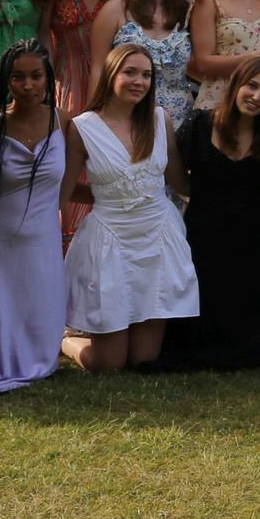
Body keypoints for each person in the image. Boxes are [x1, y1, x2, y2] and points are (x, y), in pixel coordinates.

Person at [63, 40, 199, 373]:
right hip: (110, 240)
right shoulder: (82, 127)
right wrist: (107, 195)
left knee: (143, 361)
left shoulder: (159, 120)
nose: (139, 81)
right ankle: (65, 340)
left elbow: (179, 182)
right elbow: (63, 190)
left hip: (157, 236)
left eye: (146, 75)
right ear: (111, 74)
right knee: (109, 364)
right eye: (130, 73)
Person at [0, 40, 75, 393]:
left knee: (40, 337)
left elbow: (68, 186)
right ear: (5, 81)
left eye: (36, 76)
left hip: (42, 244)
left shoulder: (64, 121)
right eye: (17, 77)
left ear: (48, 77)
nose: (28, 85)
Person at [165, 56, 260, 372]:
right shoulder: (200, 125)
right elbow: (176, 178)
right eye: (252, 86)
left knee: (247, 342)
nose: (257, 96)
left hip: (250, 243)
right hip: (201, 236)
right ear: (236, 85)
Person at [91, 0, 196, 136]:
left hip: (180, 125)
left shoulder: (190, 11)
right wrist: (95, 118)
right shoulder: (115, 10)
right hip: (125, 121)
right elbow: (97, 69)